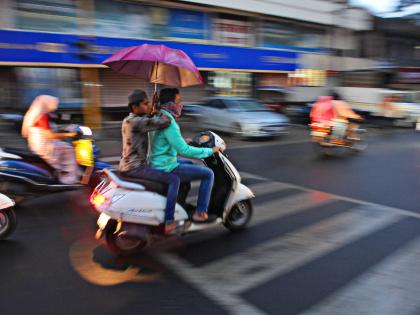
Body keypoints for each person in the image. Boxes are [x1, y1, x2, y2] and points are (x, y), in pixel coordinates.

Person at [149, 88, 221, 222]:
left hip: (158, 161)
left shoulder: (157, 116)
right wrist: (211, 151)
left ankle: (180, 202)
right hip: (165, 166)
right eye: (178, 101)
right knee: (208, 173)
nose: (180, 104)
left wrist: (182, 141)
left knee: (189, 164)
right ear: (170, 103)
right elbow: (185, 151)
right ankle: (200, 213)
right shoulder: (168, 121)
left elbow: (163, 141)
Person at [119, 89, 180, 235]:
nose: (147, 107)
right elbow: (164, 122)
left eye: (148, 104)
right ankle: (169, 220)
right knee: (174, 180)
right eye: (145, 104)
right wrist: (160, 108)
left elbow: (149, 118)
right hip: (136, 167)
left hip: (128, 165)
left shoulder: (129, 120)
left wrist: (152, 107)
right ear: (135, 107)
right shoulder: (136, 122)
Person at [21, 95, 80, 184]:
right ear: (47, 103)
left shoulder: (36, 115)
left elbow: (46, 130)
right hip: (44, 146)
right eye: (52, 103)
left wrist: (63, 129)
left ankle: (62, 171)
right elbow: (50, 135)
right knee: (68, 149)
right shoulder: (42, 116)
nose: (54, 106)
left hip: (38, 143)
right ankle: (67, 178)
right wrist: (69, 134)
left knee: (63, 146)